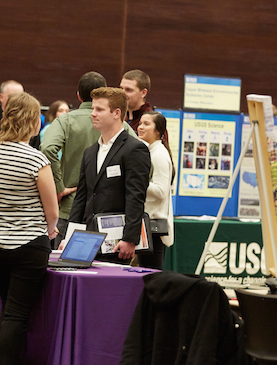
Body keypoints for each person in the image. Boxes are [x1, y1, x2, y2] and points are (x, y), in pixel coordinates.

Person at [0, 92, 58, 365]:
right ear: (32, 121)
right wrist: (51, 229)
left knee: (8, 309)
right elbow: (52, 211)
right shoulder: (36, 159)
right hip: (28, 244)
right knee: (16, 314)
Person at [40, 72, 136, 247]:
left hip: (70, 207)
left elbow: (47, 148)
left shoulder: (65, 120)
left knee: (66, 266)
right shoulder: (122, 126)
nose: (94, 114)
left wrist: (59, 186)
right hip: (109, 215)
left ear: (78, 95)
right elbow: (142, 161)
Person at [68, 87, 150, 263]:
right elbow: (81, 198)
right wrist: (70, 238)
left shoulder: (134, 149)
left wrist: (130, 238)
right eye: (93, 109)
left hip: (117, 242)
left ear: (116, 113)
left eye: (99, 109)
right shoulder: (90, 152)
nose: (93, 114)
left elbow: (135, 197)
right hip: (87, 240)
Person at [136, 111, 175, 270]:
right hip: (146, 225)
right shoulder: (150, 151)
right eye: (140, 123)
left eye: (146, 124)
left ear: (158, 130)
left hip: (153, 228)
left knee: (152, 277)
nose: (140, 127)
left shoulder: (159, 154)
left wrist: (137, 181)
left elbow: (160, 191)